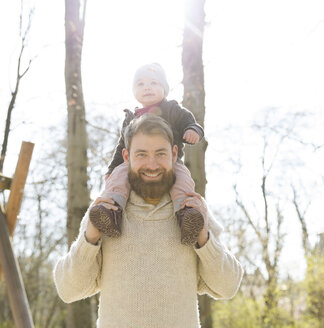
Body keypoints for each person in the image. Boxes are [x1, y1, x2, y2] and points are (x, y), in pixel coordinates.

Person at [53, 115, 243, 327]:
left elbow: (227, 287)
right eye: (141, 154)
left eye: (160, 153)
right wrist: (89, 240)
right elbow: (68, 290)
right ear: (126, 157)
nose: (152, 164)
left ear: (173, 154)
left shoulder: (193, 210)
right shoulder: (105, 212)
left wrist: (204, 239)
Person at [89, 63, 205, 245]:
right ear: (134, 91)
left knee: (183, 179)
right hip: (136, 163)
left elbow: (189, 121)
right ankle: (111, 211)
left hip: (170, 163)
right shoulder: (130, 118)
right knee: (119, 175)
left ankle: (187, 215)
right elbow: (122, 147)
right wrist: (112, 168)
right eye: (141, 84)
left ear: (164, 89)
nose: (147, 87)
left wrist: (193, 130)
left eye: (154, 83)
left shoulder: (172, 109)